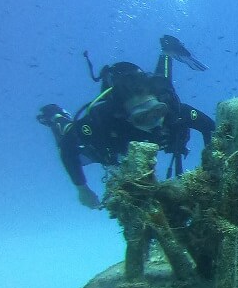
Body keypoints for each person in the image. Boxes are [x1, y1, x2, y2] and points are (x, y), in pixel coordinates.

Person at [37, 35, 215, 209]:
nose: (155, 122)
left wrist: (211, 168)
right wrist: (82, 189)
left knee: (164, 81)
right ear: (126, 117)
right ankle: (56, 116)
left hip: (157, 95)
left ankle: (166, 53)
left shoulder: (171, 109)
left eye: (157, 111)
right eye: (142, 117)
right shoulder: (101, 123)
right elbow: (67, 148)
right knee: (74, 140)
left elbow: (209, 127)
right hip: (114, 144)